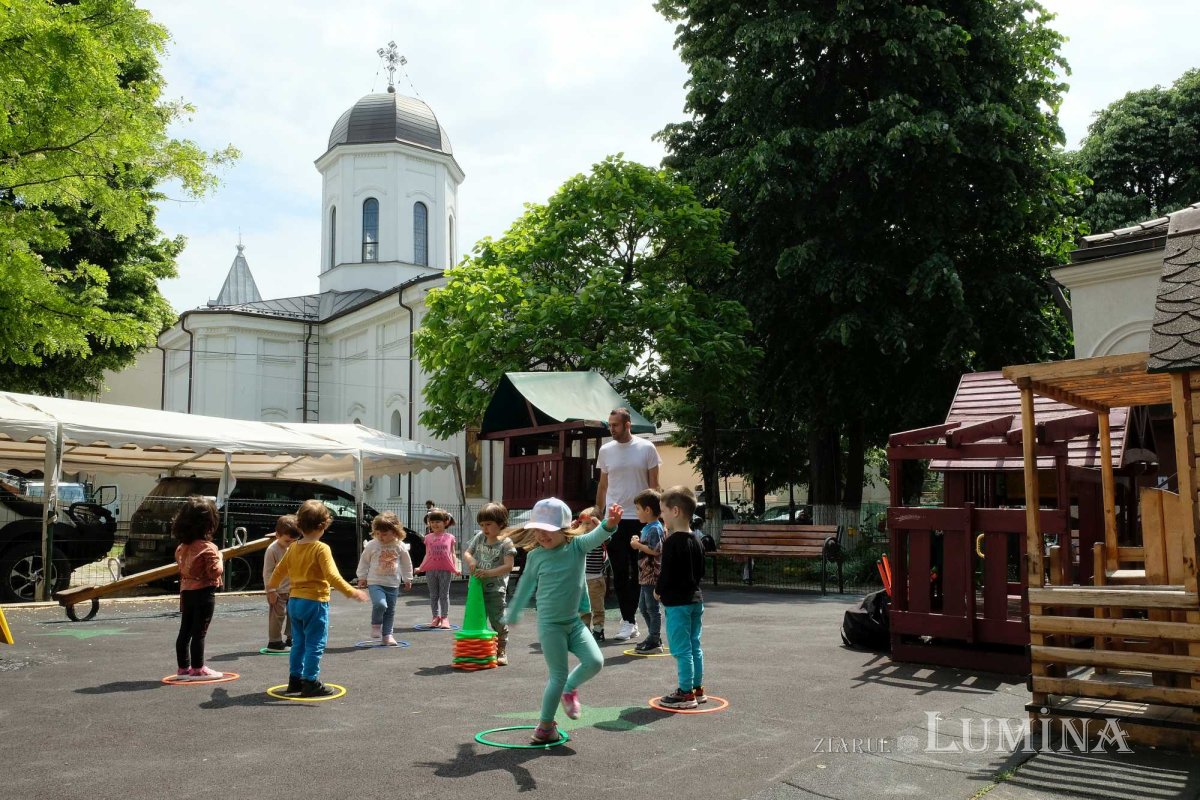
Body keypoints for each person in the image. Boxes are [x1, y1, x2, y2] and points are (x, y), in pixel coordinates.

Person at [504, 497, 621, 745]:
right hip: (550, 625)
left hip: (574, 622)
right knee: (557, 675)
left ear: (564, 529)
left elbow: (597, 536)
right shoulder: (536, 556)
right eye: (537, 530)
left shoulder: (576, 546)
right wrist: (513, 613)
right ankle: (545, 726)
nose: (542, 535)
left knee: (595, 661)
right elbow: (525, 586)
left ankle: (571, 687)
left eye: (548, 530)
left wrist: (610, 524)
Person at [267, 499, 367, 697]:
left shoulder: (293, 547)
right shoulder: (321, 548)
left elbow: (279, 572)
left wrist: (271, 587)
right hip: (315, 602)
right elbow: (332, 576)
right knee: (315, 643)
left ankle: (294, 680)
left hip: (294, 602)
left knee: (299, 643)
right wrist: (351, 592)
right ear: (323, 526)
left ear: (299, 525)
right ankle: (310, 681)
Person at [595, 407, 661, 641]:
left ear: (627, 424)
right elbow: (603, 486)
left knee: (642, 574)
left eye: (615, 425)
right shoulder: (606, 450)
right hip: (615, 519)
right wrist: (598, 511)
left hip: (641, 519)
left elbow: (654, 486)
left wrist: (656, 517)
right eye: (609, 425)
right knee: (620, 572)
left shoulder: (647, 448)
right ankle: (628, 621)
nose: (611, 429)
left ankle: (647, 622)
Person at [655, 485, 707, 709]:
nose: (662, 516)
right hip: (696, 599)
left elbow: (666, 573)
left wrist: (659, 591)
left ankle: (685, 693)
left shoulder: (671, 542)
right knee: (694, 645)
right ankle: (697, 688)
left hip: (677, 603)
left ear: (675, 511)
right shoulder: (696, 539)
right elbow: (701, 570)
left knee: (681, 649)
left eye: (663, 511)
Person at [173, 496, 224, 680]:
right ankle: (198, 667)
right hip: (204, 593)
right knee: (199, 632)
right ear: (209, 524)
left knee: (185, 630)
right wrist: (221, 558)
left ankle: (183, 667)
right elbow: (214, 572)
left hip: (186, 592)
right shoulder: (208, 548)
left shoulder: (181, 547)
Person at [463, 502, 516, 665]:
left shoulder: (506, 543)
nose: (485, 528)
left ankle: (501, 650)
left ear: (500, 523)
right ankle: (481, 649)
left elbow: (509, 566)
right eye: (482, 524)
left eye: (489, 524)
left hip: (496, 589)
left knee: (497, 620)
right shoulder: (480, 537)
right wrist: (471, 560)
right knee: (477, 619)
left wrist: (488, 573)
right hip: (476, 588)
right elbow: (467, 552)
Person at [356, 511, 414, 646]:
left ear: (395, 532)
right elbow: (364, 561)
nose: (381, 537)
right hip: (375, 582)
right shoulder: (372, 545)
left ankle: (387, 635)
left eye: (384, 534)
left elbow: (406, 563)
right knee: (381, 604)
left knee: (390, 611)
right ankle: (376, 625)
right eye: (378, 533)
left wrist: (407, 578)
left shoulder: (399, 545)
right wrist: (362, 577)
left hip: (393, 583)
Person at [629, 489, 665, 653]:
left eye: (638, 508)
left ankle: (654, 638)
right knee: (643, 607)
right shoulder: (648, 528)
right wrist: (638, 540)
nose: (637, 512)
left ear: (648, 510)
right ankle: (653, 636)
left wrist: (638, 545)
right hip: (644, 574)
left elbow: (656, 550)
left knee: (652, 608)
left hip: (652, 575)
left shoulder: (655, 528)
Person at [263, 514, 301, 652]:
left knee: (294, 615)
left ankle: (292, 638)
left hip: (293, 589)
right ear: (277, 535)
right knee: (277, 616)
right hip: (277, 590)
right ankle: (274, 642)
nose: (290, 544)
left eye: (294, 541)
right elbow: (267, 572)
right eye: (287, 541)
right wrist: (270, 591)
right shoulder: (272, 549)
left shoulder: (295, 547)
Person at [415, 507, 459, 627]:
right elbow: (427, 554)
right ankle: (435, 617)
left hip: (445, 570)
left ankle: (444, 618)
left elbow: (453, 554)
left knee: (444, 595)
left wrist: (455, 568)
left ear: (445, 522)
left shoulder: (450, 537)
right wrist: (420, 567)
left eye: (438, 522)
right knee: (433, 595)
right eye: (432, 522)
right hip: (431, 571)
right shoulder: (428, 538)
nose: (435, 524)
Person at [577, 507, 608, 641]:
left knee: (597, 607)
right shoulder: (580, 539)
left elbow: (607, 535)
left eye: (588, 523)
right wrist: (573, 527)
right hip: (581, 580)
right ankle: (584, 629)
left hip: (595, 579)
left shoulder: (598, 539)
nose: (585, 527)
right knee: (583, 607)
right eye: (582, 523)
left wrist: (600, 526)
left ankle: (598, 629)